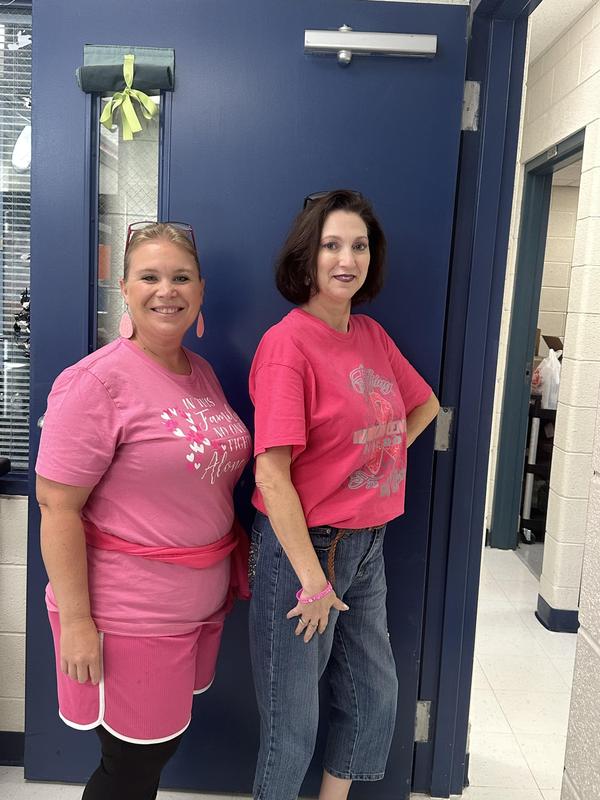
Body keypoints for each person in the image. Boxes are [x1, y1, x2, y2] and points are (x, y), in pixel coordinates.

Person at [36, 222, 252, 800]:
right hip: (128, 617)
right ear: (125, 291)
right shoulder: (94, 384)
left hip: (194, 608)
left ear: (201, 292)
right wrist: (79, 624)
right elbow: (57, 506)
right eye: (149, 277)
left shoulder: (201, 373)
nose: (167, 290)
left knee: (154, 756)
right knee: (131, 767)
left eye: (181, 277)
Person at [248, 190, 440, 800]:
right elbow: (271, 474)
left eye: (358, 245)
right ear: (308, 256)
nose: (346, 258)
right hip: (308, 550)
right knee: (292, 723)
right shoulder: (288, 345)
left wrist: (375, 461)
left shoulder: (371, 336)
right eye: (332, 244)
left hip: (368, 545)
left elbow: (425, 404)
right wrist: (311, 579)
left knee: (374, 695)